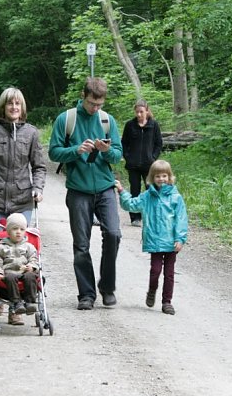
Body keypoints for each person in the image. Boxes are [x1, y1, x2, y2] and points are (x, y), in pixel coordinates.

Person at [48, 77, 123, 311]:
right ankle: (86, 294)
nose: (95, 108)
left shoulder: (107, 120)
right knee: (81, 244)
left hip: (105, 187)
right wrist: (76, 149)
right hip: (78, 190)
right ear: (84, 96)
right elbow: (53, 153)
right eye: (92, 104)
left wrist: (107, 150)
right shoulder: (66, 119)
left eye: (99, 104)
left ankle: (107, 287)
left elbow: (118, 155)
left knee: (113, 234)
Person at [115, 159, 188, 315]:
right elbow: (131, 205)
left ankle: (167, 302)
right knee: (155, 271)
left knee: (169, 274)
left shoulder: (176, 198)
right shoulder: (147, 196)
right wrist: (122, 191)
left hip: (171, 242)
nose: (161, 179)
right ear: (151, 178)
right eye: (157, 176)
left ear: (169, 177)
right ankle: (152, 290)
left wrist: (180, 239)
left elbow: (181, 219)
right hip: (154, 241)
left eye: (164, 176)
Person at [0, 88, 46, 224]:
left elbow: (39, 167)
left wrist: (38, 188)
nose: (14, 107)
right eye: (10, 103)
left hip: (23, 202)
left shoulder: (31, 133)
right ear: (3, 107)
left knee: (20, 244)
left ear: (22, 107)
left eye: (17, 103)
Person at [120, 99, 163, 227]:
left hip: (149, 166)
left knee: (152, 190)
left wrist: (153, 157)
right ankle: (135, 218)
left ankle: (151, 217)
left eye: (141, 112)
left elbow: (158, 143)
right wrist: (127, 157)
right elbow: (124, 143)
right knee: (135, 190)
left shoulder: (154, 125)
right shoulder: (130, 125)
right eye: (137, 112)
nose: (139, 114)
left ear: (147, 111)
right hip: (133, 165)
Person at [0, 213, 40, 326]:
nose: (18, 232)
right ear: (8, 231)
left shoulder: (29, 247)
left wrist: (31, 267)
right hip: (9, 275)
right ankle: (16, 303)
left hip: (25, 273)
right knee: (10, 276)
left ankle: (30, 302)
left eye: (22, 229)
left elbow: (34, 260)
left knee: (31, 276)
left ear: (25, 231)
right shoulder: (0, 247)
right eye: (14, 229)